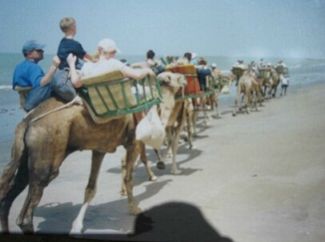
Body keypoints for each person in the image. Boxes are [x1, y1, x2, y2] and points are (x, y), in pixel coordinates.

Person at [66, 38, 155, 88]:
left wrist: (71, 65)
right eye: (114, 52)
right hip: (117, 103)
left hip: (97, 106)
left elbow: (75, 83)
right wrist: (147, 70)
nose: (114, 55)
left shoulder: (87, 66)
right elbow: (137, 75)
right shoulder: (114, 63)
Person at [52, 17, 95, 102]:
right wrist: (97, 61)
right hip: (71, 69)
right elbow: (87, 57)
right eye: (75, 26)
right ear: (73, 27)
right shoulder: (75, 44)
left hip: (62, 69)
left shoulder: (62, 42)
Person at [12, 40, 60, 112]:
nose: (42, 52)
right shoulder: (33, 67)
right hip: (32, 101)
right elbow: (41, 84)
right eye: (39, 50)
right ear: (29, 54)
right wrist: (54, 66)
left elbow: (14, 86)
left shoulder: (19, 66)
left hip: (24, 99)